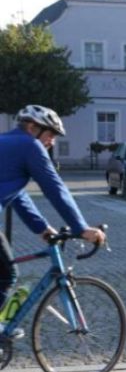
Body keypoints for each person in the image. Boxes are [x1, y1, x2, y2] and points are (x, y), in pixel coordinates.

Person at [0, 106, 105, 337]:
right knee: (6, 274)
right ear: (32, 127)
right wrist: (81, 228)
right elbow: (55, 189)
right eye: (50, 134)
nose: (52, 142)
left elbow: (18, 196)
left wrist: (42, 229)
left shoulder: (7, 142)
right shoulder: (30, 145)